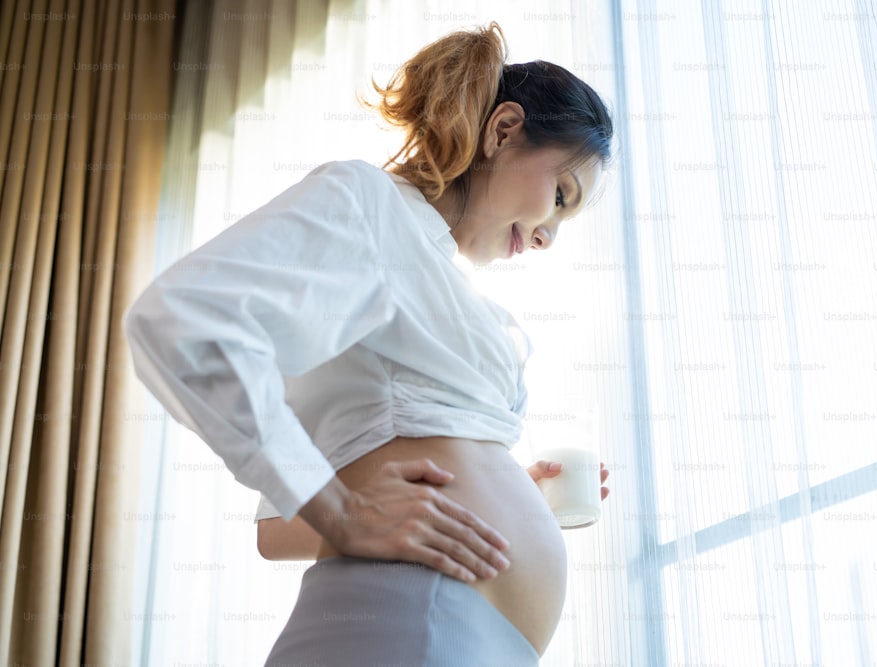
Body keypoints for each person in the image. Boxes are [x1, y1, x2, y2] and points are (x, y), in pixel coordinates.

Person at [124, 21, 613, 666]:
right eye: (559, 196)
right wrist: (340, 509)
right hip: (410, 623)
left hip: (461, 634)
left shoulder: (440, 287)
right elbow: (181, 320)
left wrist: (495, 497)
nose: (549, 235)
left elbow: (277, 532)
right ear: (503, 130)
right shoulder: (373, 207)